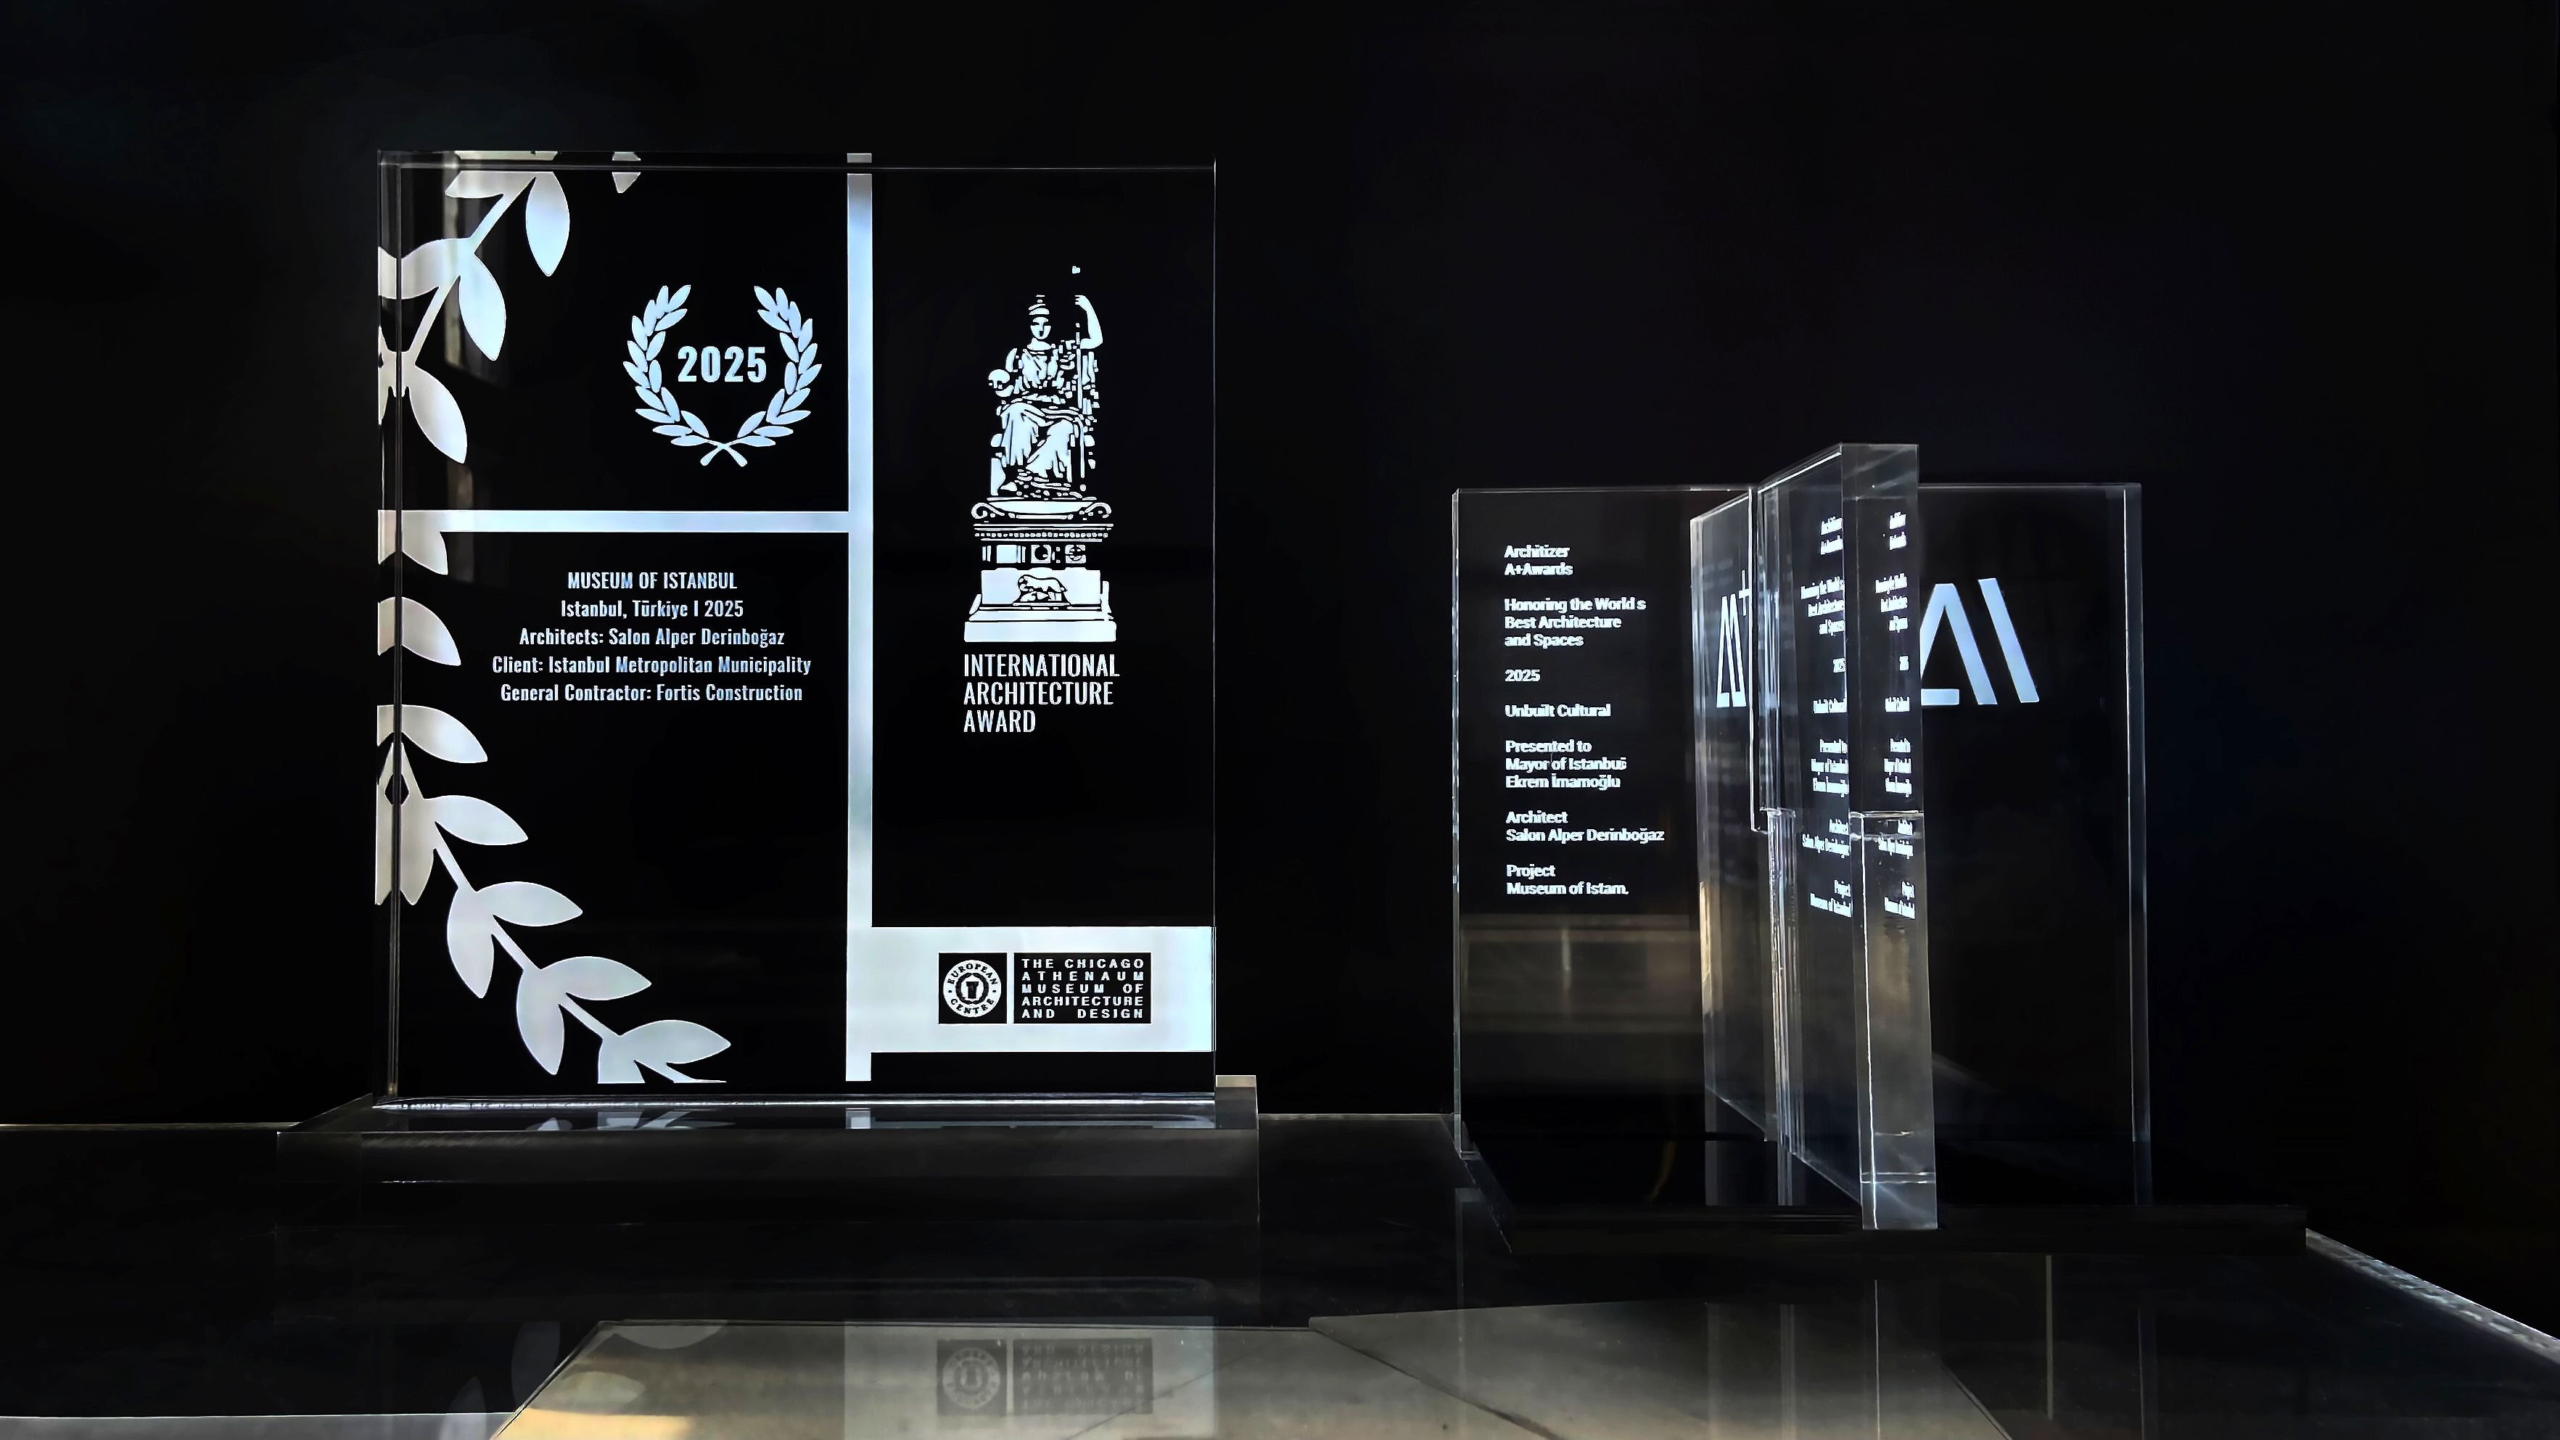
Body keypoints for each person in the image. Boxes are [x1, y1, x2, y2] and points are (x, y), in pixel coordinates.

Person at [988, 293, 1101, 496]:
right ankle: (1015, 475)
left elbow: (1095, 341)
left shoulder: (1062, 349)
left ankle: (1035, 476)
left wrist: (1087, 308)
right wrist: (999, 386)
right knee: (1016, 414)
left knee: (1065, 428)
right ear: (1029, 326)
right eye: (1036, 323)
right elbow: (1009, 388)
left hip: (1056, 409)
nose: (1041, 328)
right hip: (1025, 405)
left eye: (1045, 324)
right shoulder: (1017, 354)